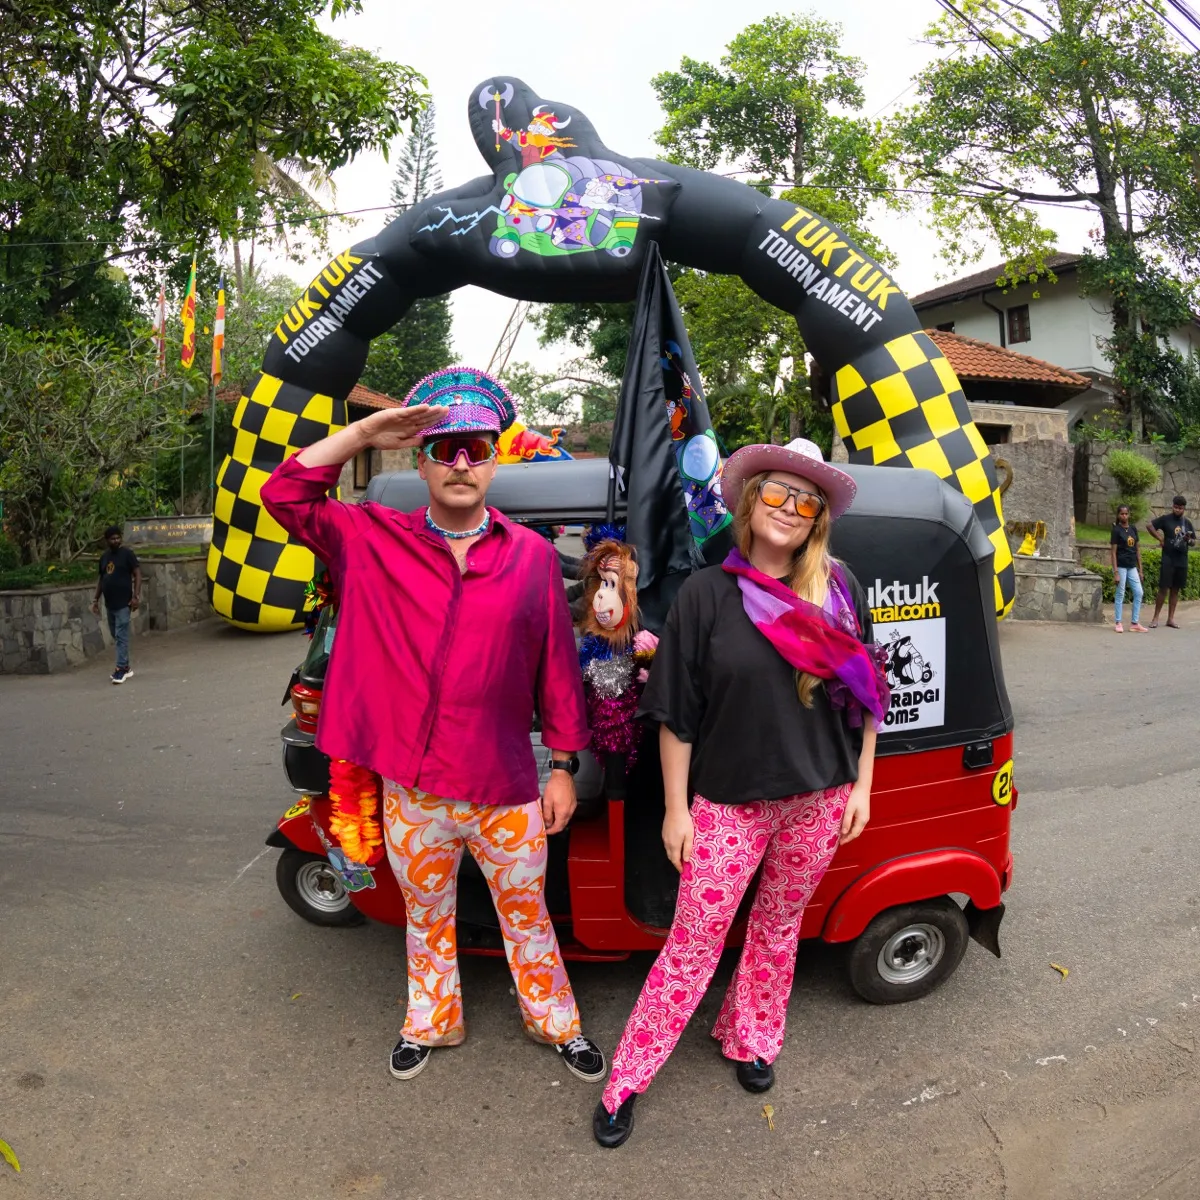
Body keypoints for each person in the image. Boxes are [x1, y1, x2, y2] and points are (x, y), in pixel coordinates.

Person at [260, 367, 606, 1085]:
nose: (461, 463)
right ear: (420, 463)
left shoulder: (530, 556)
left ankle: (556, 1022)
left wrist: (563, 768)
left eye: (476, 449)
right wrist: (365, 432)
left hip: (507, 785)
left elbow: (556, 669)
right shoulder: (370, 539)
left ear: (494, 462)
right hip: (413, 788)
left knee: (527, 913)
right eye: (445, 449)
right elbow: (284, 493)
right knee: (426, 918)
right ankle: (430, 1022)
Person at [592, 438, 890, 1148]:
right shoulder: (706, 595)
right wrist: (675, 810)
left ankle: (750, 1036)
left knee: (779, 928)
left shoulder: (840, 588)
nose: (788, 509)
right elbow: (676, 714)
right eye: (777, 493)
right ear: (752, 502)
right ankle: (626, 1079)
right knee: (692, 943)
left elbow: (868, 694)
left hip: (821, 799)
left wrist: (863, 785)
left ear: (817, 518)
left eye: (805, 501)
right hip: (728, 805)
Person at [91, 525, 141, 684]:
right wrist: (95, 600)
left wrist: (136, 596)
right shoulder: (104, 557)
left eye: (118, 538)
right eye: (113, 538)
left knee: (121, 635)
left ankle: (120, 669)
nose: (116, 541)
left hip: (124, 603)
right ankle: (126, 667)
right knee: (116, 634)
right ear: (107, 540)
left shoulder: (127, 554)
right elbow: (102, 579)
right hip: (110, 604)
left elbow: (137, 574)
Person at [1146, 496, 1196, 629]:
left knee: (1175, 590)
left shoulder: (1187, 523)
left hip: (1182, 560)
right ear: (1172, 506)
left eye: (1180, 508)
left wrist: (1188, 540)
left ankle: (1170, 619)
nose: (1177, 510)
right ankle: (1155, 618)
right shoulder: (1166, 519)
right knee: (1163, 588)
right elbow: (1149, 525)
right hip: (1168, 559)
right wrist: (1160, 539)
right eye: (1175, 507)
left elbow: (1193, 542)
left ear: (1184, 508)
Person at [1110, 504, 1147, 633]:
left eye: (1126, 514)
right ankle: (1118, 622)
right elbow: (1113, 552)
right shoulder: (1116, 530)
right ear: (1118, 515)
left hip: (1132, 567)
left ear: (1129, 515)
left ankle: (1134, 623)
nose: (1124, 516)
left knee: (1139, 592)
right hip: (1121, 566)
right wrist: (1115, 572)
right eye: (1122, 514)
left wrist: (1140, 570)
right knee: (1120, 593)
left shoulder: (1133, 529)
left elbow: (1137, 550)